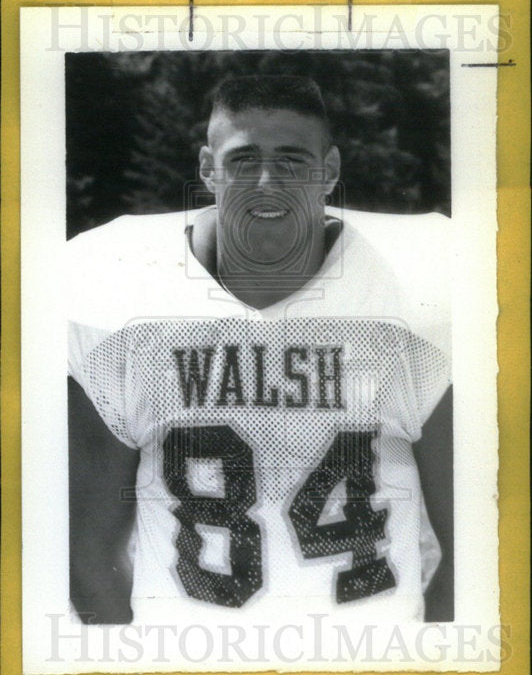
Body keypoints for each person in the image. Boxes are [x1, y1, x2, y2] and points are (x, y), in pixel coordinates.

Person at [68, 74, 452, 633]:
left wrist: (424, 671)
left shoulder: (414, 306)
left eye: (293, 160)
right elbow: (87, 549)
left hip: (372, 672)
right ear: (207, 168)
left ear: (331, 170)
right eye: (244, 159)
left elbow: (480, 546)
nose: (267, 181)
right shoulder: (123, 304)